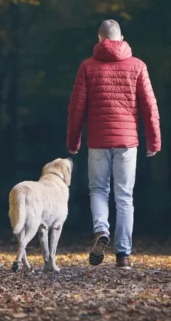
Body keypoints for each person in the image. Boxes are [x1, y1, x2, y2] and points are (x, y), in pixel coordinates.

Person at [66, 19, 161, 269]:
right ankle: (123, 255)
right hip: (128, 142)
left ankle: (100, 231)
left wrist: (73, 141)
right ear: (121, 38)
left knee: (98, 190)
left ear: (100, 40)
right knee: (124, 197)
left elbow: (77, 108)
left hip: (97, 141)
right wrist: (154, 140)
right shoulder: (138, 66)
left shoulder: (87, 67)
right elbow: (150, 108)